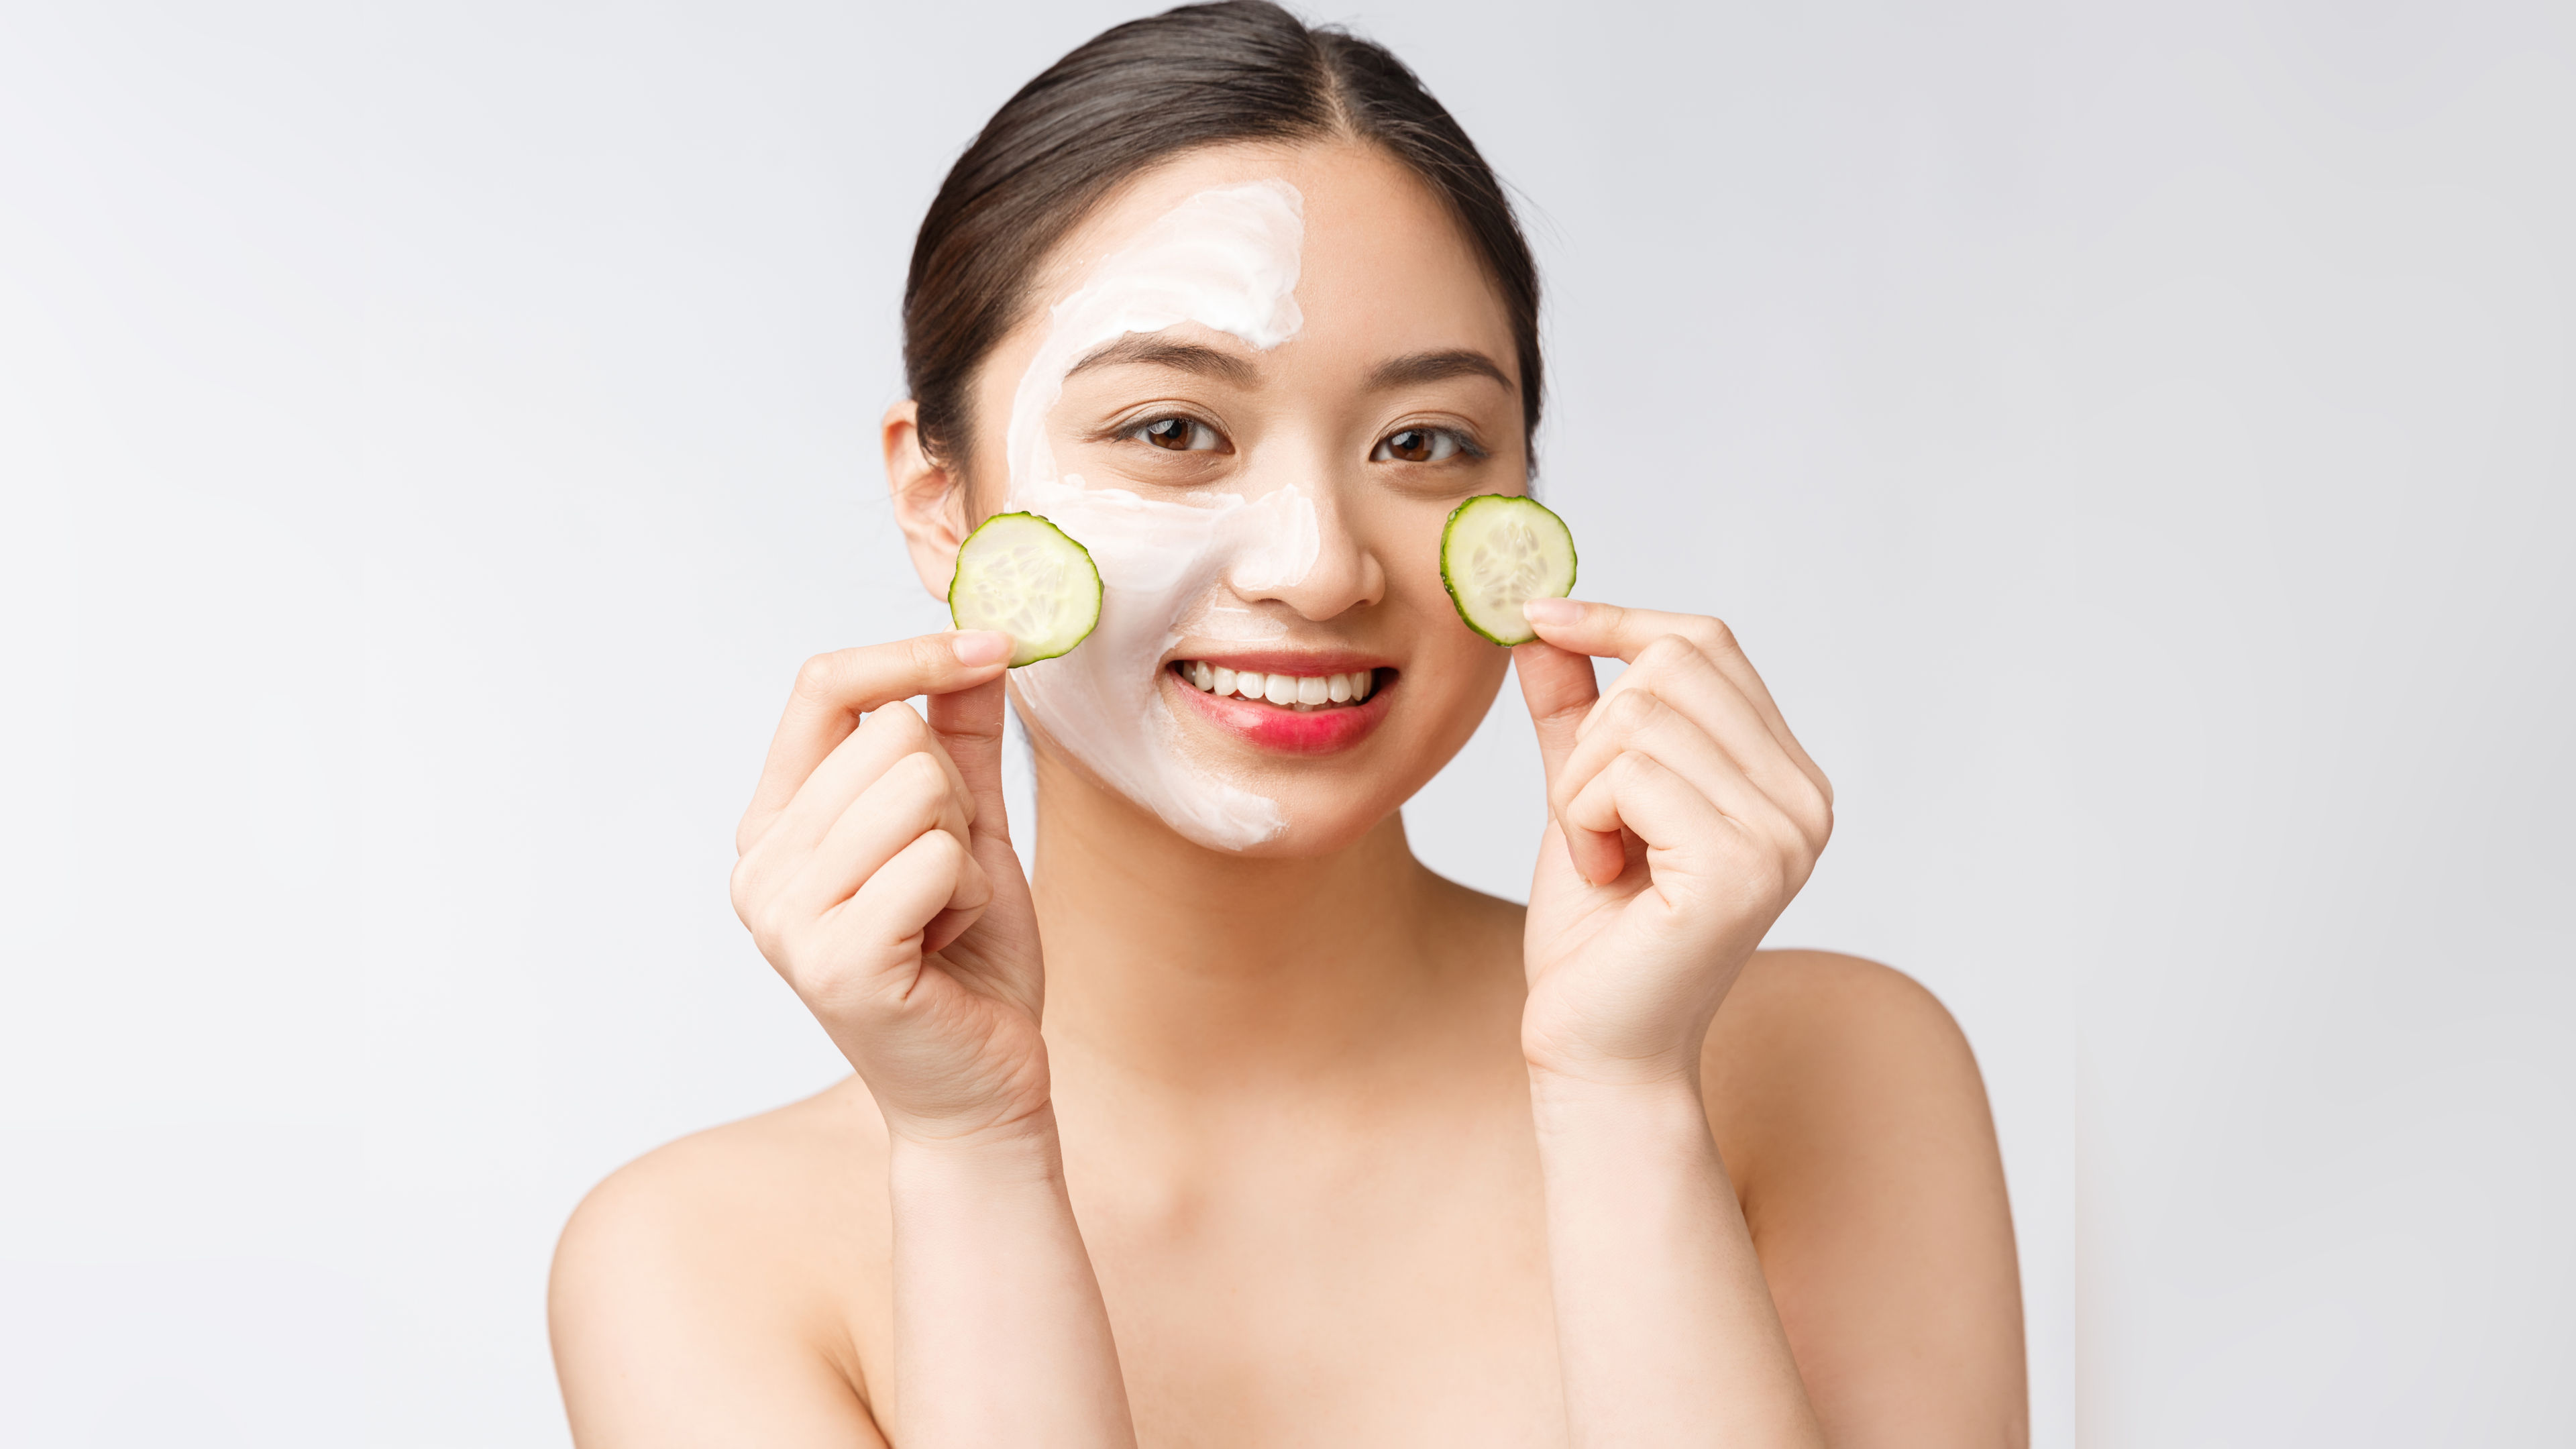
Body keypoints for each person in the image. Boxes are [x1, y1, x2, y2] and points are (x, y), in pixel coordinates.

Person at [547, 4, 2026, 1444]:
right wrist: (973, 1152)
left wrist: (1626, 1099)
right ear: (942, 502)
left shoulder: (1829, 1072)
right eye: (1173, 431)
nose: (1319, 564)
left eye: (1423, 443)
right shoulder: (699, 1264)